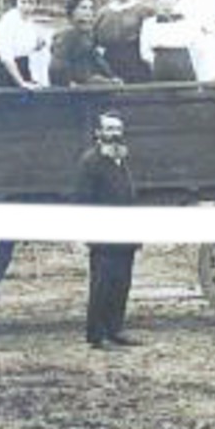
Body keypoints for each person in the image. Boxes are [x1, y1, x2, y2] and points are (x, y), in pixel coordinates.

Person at [75, 113, 142, 350]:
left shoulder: (121, 159)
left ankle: (115, 329)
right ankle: (97, 335)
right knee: (102, 285)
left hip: (126, 235)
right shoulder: (90, 161)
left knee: (121, 283)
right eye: (109, 129)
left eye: (118, 129)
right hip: (104, 236)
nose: (114, 133)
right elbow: (83, 201)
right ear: (98, 133)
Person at [93, 0, 154, 84]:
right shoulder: (103, 12)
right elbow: (93, 38)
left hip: (137, 60)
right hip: (109, 61)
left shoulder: (145, 10)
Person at [49, 0, 121, 87]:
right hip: (75, 88)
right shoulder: (67, 34)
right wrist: (68, 84)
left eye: (90, 8)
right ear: (72, 11)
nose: (88, 12)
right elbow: (57, 67)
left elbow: (96, 58)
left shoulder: (88, 33)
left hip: (89, 82)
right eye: (83, 8)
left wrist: (111, 77)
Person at [139, 0, 202, 82]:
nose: (168, 0)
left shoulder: (189, 22)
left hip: (183, 61)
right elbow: (144, 50)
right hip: (160, 62)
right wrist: (157, 61)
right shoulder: (149, 23)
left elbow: (196, 47)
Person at [0, 0, 49, 89]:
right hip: (6, 72)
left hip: (23, 67)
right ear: (16, 2)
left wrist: (37, 46)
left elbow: (22, 48)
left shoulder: (28, 21)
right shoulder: (9, 20)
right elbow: (6, 57)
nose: (27, 7)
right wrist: (21, 83)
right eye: (23, 2)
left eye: (31, 3)